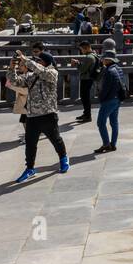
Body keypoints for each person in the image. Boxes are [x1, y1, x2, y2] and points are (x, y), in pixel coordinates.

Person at [8, 51, 69, 183]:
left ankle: (63, 159)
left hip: (48, 114)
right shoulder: (31, 76)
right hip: (32, 116)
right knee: (30, 144)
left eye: (39, 61)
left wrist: (27, 60)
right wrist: (12, 67)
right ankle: (30, 168)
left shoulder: (52, 73)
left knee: (56, 139)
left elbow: (42, 71)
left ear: (46, 62)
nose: (36, 63)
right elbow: (15, 81)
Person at [94, 52, 125, 153]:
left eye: (103, 59)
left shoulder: (109, 71)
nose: (102, 60)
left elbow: (106, 88)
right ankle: (113, 144)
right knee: (114, 122)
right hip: (118, 98)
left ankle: (106, 144)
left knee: (101, 122)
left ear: (108, 60)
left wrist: (101, 98)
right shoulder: (118, 69)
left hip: (109, 99)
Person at [74, 40, 99, 123]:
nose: (81, 51)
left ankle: (88, 116)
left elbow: (82, 69)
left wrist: (77, 63)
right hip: (90, 78)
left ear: (87, 48)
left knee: (85, 98)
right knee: (85, 97)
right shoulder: (94, 54)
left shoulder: (89, 57)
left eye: (82, 49)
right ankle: (86, 114)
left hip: (86, 79)